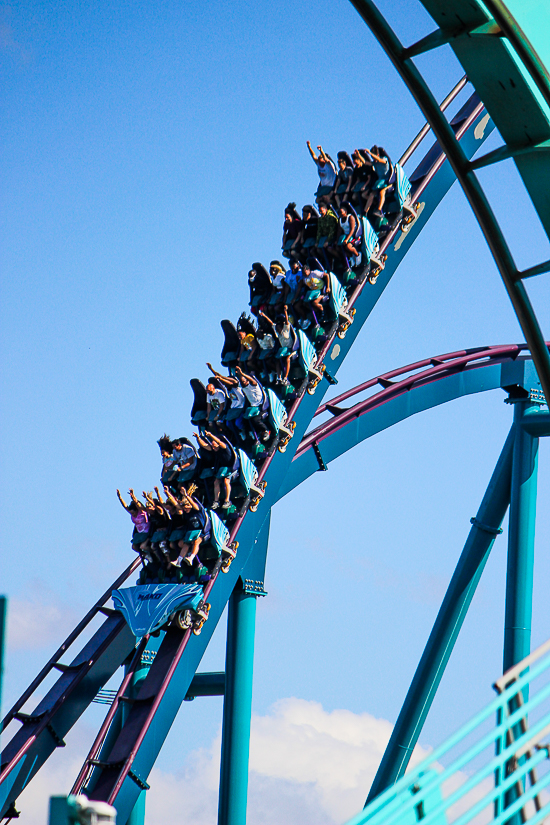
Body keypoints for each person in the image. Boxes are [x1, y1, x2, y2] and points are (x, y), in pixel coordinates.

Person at [166, 485, 211, 567]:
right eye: (184, 507)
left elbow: (193, 504)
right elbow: (176, 504)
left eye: (187, 506)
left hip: (203, 533)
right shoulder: (186, 512)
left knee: (196, 541)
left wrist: (186, 495)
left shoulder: (197, 509)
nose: (185, 508)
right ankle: (179, 561)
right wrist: (168, 493)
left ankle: (191, 557)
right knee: (185, 544)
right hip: (192, 533)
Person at [194, 430, 238, 509]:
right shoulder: (215, 450)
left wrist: (210, 435)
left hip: (232, 468)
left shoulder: (225, 448)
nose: (213, 448)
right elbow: (204, 445)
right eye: (212, 446)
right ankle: (216, 501)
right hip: (223, 469)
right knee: (216, 482)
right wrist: (198, 438)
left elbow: (219, 442)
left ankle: (227, 501)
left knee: (226, 481)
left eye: (214, 446)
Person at [259, 305, 297, 385]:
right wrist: (265, 316)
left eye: (278, 329)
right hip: (283, 351)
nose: (277, 330)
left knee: (287, 359)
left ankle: (285, 378)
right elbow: (271, 323)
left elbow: (287, 321)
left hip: (292, 350)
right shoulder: (278, 334)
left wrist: (285, 311)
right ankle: (279, 378)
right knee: (277, 361)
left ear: (281, 328)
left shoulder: (285, 330)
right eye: (276, 329)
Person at [235, 365, 271, 441]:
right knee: (244, 420)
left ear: (247, 381)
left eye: (244, 381)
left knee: (255, 420)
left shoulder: (254, 385)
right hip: (253, 408)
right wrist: (239, 375)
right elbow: (239, 381)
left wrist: (242, 373)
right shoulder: (244, 388)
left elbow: (251, 379)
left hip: (262, 407)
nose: (243, 383)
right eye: (242, 382)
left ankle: (266, 431)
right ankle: (253, 433)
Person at [363, 146, 393, 216]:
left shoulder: (384, 159)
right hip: (379, 183)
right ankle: (365, 212)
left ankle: (379, 210)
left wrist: (370, 153)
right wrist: (359, 155)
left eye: (373, 156)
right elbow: (365, 162)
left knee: (382, 192)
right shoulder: (375, 163)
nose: (372, 158)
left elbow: (379, 160)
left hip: (388, 182)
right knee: (371, 194)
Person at [331, 202, 361, 271]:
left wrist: (347, 239)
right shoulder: (340, 220)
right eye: (339, 213)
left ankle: (357, 255)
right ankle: (351, 257)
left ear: (345, 212)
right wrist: (337, 240)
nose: (340, 214)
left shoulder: (350, 217)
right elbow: (339, 231)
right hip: (346, 237)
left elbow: (352, 229)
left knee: (348, 247)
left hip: (354, 236)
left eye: (341, 212)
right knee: (338, 248)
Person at [315, 203, 339, 269]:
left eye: (321, 211)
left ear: (325, 209)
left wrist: (328, 241)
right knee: (318, 250)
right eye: (319, 211)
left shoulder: (331, 217)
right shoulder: (320, 219)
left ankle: (339, 259)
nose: (320, 212)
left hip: (333, 237)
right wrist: (317, 242)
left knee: (329, 249)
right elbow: (319, 231)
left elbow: (332, 231)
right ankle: (327, 261)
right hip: (324, 238)